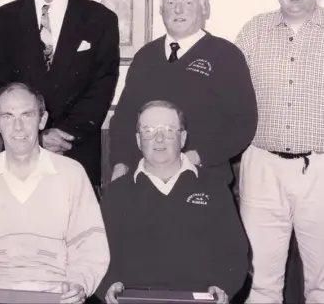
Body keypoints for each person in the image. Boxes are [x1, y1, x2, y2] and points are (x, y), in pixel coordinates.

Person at [0, 82, 109, 304]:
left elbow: (91, 247)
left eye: (27, 115)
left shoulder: (71, 174)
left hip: (55, 294)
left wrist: (79, 283)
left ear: (42, 119)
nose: (18, 127)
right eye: (7, 116)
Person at [0, 0, 120, 193]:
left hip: (76, 152)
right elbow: (0, 87)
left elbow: (102, 86)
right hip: (20, 152)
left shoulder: (100, 19)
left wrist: (62, 134)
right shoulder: (3, 20)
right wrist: (37, 136)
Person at [109, 0, 258, 186]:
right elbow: (123, 119)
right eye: (171, 3)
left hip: (203, 177)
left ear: (204, 8)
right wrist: (120, 163)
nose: (178, 10)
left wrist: (192, 159)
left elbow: (243, 124)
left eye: (188, 3)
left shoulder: (226, 54)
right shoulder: (145, 56)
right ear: (161, 10)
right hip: (145, 180)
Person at [235, 0, 324, 303]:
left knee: (321, 281)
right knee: (262, 281)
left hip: (319, 169)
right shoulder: (253, 31)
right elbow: (228, 97)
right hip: (262, 166)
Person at [98, 100, 249, 304]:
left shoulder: (213, 187)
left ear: (183, 137)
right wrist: (108, 284)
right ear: (138, 139)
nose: (159, 139)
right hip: (134, 298)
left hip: (200, 298)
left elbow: (234, 251)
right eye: (149, 131)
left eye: (169, 130)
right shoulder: (116, 193)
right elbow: (97, 253)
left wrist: (224, 285)